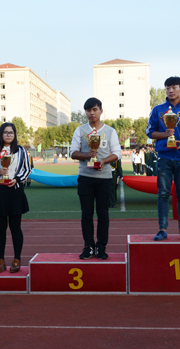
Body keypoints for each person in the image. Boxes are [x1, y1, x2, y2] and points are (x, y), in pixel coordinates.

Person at [146, 76, 180, 241]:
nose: (170, 90)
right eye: (167, 88)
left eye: (174, 87)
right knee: (163, 194)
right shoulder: (158, 110)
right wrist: (165, 134)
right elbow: (149, 131)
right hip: (164, 157)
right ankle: (162, 230)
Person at [70, 97, 122, 259]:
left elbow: (117, 153)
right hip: (85, 178)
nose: (91, 113)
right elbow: (73, 152)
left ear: (101, 111)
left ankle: (101, 247)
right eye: (88, 110)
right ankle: (89, 246)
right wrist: (88, 155)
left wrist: (103, 161)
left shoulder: (110, 131)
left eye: (94, 109)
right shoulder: (80, 130)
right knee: (86, 214)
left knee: (103, 214)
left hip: (104, 178)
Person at [0, 123, 32, 272]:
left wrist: (17, 179)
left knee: (15, 227)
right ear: (1, 134)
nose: (8, 135)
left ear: (15, 134)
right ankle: (1, 259)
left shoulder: (21, 150)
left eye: (11, 132)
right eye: (5, 132)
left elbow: (27, 169)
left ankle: (17, 259)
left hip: (15, 191)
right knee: (0, 228)